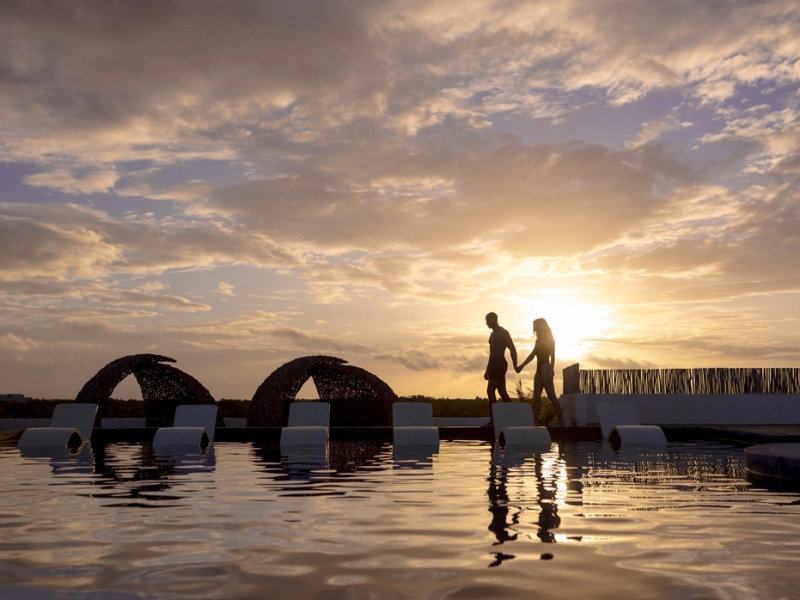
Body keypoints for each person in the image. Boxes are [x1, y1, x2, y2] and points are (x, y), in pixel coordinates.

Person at [516, 318, 565, 427]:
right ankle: (535, 422)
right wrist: (522, 366)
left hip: (546, 367)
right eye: (534, 325)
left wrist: (551, 370)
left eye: (537, 324)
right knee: (536, 397)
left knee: (551, 395)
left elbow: (553, 355)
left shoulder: (549, 338)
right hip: (538, 369)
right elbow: (532, 355)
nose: (535, 326)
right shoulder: (538, 340)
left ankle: (561, 421)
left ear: (542, 325)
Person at [484, 312, 517, 414]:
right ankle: (514, 415)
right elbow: (491, 353)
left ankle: (493, 419)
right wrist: (488, 369)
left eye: (488, 320)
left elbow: (512, 348)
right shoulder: (492, 334)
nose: (486, 323)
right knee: (502, 392)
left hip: (500, 364)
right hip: (494, 365)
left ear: (494, 320)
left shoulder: (503, 333)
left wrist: (515, 365)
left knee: (490, 390)